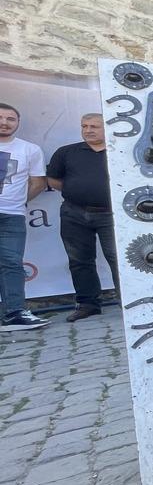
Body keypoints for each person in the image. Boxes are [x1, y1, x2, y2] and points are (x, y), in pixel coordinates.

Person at [46, 114, 118, 322]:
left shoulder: (118, 150)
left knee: (117, 259)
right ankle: (88, 304)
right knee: (79, 260)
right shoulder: (66, 152)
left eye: (94, 126)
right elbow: (53, 180)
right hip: (74, 213)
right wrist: (77, 191)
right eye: (84, 126)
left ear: (107, 128)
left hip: (112, 214)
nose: (88, 130)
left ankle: (128, 302)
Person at [0, 103, 49, 331]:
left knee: (12, 264)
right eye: (1, 118)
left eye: (11, 119)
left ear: (18, 122)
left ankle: (14, 313)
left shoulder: (30, 149)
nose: (5, 123)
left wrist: (18, 202)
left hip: (12, 215)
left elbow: (38, 183)